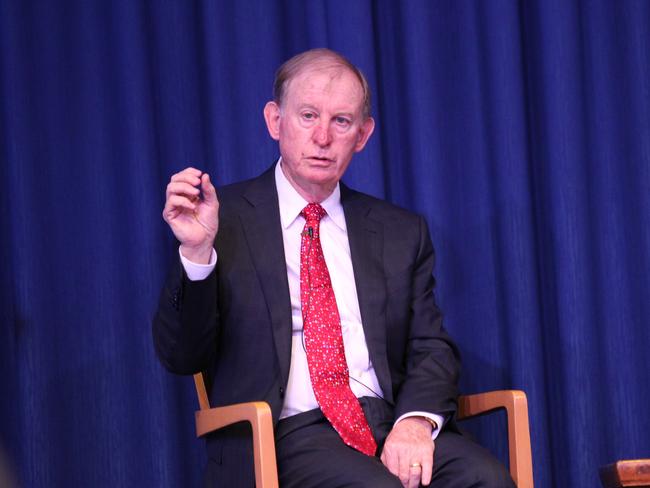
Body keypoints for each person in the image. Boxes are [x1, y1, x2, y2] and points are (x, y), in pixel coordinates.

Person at [153, 48, 514, 487]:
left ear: (362, 135)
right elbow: (181, 356)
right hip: (285, 435)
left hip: (388, 423)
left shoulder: (400, 231)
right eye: (308, 116)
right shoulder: (220, 219)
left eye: (341, 121)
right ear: (274, 121)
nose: (323, 137)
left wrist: (415, 423)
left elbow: (431, 347)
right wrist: (195, 255)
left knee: (486, 479)